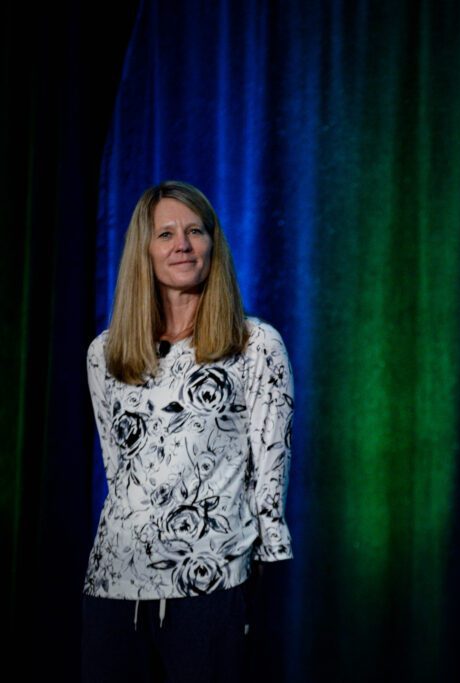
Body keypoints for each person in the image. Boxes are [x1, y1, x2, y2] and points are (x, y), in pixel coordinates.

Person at [81, 181, 294, 682]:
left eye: (195, 231)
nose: (183, 244)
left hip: (212, 591)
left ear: (212, 245)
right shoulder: (106, 353)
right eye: (166, 234)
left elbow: (271, 472)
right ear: (145, 250)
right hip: (113, 588)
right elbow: (117, 471)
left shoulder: (255, 344)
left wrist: (268, 580)